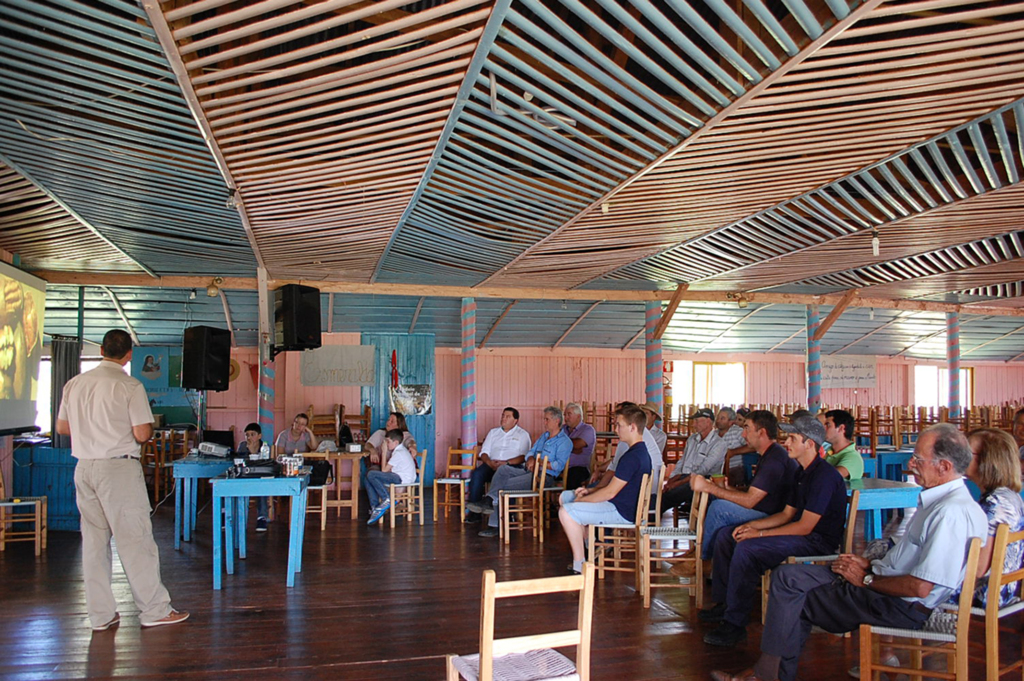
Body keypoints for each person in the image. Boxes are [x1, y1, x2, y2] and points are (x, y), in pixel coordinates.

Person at [711, 423, 988, 681]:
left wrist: (866, 580)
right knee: (788, 576)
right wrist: (867, 564)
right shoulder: (941, 502)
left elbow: (921, 587)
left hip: (898, 604)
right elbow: (909, 558)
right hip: (883, 585)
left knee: (793, 596)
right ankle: (768, 672)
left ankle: (766, 674)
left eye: (918, 459)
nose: (910, 464)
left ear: (944, 466)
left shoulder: (951, 512)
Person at [55, 329, 188, 630]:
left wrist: (92, 432)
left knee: (93, 543)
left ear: (101, 349)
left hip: (84, 467)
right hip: (117, 469)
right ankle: (154, 610)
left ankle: (101, 616)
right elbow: (142, 434)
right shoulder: (129, 386)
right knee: (135, 541)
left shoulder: (74, 384)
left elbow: (63, 428)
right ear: (129, 355)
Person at [702, 415, 847, 648]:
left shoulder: (824, 476)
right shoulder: (801, 473)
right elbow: (787, 514)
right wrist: (750, 526)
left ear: (809, 444)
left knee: (748, 548)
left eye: (792, 438)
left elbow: (805, 526)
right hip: (798, 532)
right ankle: (725, 604)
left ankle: (735, 624)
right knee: (728, 535)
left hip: (815, 541)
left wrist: (757, 535)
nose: (785, 442)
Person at [690, 410, 798, 564]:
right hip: (762, 508)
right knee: (717, 497)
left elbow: (750, 501)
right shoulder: (768, 455)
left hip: (771, 517)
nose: (743, 435)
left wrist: (709, 487)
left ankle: (703, 560)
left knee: (719, 508)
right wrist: (726, 488)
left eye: (747, 428)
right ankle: (700, 551)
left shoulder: (775, 459)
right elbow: (753, 493)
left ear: (761, 433)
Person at [559, 404, 652, 574]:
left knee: (566, 511)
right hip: (619, 504)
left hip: (621, 511)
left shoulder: (633, 456)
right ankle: (591, 547)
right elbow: (611, 488)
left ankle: (580, 565)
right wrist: (589, 492)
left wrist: (583, 500)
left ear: (632, 427)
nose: (616, 429)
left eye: (619, 425)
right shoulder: (638, 452)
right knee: (567, 498)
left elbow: (610, 492)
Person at [469, 406, 571, 538]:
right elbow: (530, 452)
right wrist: (530, 459)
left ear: (557, 421)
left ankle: (494, 523)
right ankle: (489, 502)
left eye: (547, 419)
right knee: (503, 470)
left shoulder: (565, 442)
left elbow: (558, 465)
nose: (544, 422)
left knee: (503, 485)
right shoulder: (544, 436)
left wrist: (538, 462)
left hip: (544, 477)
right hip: (528, 471)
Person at [962, 428, 1024, 607]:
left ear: (988, 461)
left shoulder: (997, 503)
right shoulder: (1008, 495)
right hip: (1001, 589)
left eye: (967, 452)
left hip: (985, 593)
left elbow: (979, 568)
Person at [465, 407, 531, 523]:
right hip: (492, 464)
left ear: (516, 420)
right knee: (477, 474)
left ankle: (507, 514)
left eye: (507, 416)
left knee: (508, 479)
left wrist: (506, 462)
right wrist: (489, 462)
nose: (503, 418)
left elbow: (524, 456)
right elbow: (484, 452)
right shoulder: (493, 432)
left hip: (511, 466)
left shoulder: (523, 434)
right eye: (503, 416)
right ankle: (476, 512)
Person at [659, 408, 726, 514]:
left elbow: (703, 471)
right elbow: (682, 462)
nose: (694, 425)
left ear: (708, 421)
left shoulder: (719, 444)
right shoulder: (692, 439)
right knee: (666, 490)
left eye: (697, 421)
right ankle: (652, 511)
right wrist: (672, 479)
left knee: (668, 496)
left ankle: (652, 514)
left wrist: (678, 483)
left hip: (704, 480)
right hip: (686, 477)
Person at [366, 429, 418, 524]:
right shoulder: (399, 450)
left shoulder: (399, 453)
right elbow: (387, 470)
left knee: (371, 474)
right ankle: (375, 507)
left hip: (401, 479)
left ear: (396, 442)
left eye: (388, 442)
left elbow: (384, 470)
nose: (386, 444)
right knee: (367, 478)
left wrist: (384, 451)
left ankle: (386, 498)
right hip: (398, 476)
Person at [235, 422, 271, 532]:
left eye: (252, 434)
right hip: (244, 475)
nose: (249, 437)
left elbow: (264, 464)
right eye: (247, 435)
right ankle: (230, 514)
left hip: (259, 475)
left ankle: (262, 517)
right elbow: (238, 462)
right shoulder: (242, 445)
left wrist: (252, 452)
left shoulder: (264, 447)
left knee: (262, 485)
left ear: (259, 436)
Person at [363, 411, 417, 483]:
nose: (388, 423)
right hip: (381, 465)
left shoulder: (404, 434)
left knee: (372, 475)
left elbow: (410, 442)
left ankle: (384, 494)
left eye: (392, 421)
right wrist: (372, 450)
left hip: (398, 470)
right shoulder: (380, 433)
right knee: (369, 475)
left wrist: (412, 446)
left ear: (399, 425)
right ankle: (381, 494)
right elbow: (368, 444)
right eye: (388, 420)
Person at [564, 402, 597, 491]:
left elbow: (577, 444)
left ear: (578, 416)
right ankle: (548, 504)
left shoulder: (588, 430)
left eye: (569, 414)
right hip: (559, 466)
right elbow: (550, 442)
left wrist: (560, 444)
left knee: (574, 476)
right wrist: (572, 448)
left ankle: (572, 504)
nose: (565, 418)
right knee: (543, 473)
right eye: (564, 415)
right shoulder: (563, 429)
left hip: (578, 468)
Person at [719, 407, 755, 487]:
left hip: (734, 468)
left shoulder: (739, 432)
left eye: (740, 420)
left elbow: (753, 446)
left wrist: (733, 452)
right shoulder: (714, 433)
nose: (736, 422)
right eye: (736, 419)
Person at [823, 409, 863, 480]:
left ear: (841, 428)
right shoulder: (829, 452)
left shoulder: (853, 457)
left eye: (828, 425)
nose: (823, 428)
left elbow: (830, 476)